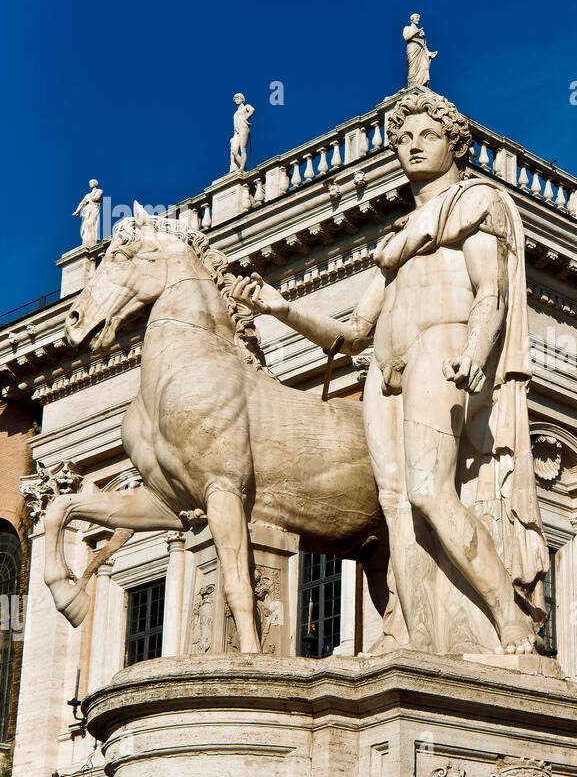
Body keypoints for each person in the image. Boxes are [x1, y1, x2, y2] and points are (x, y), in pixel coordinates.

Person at [232, 91, 546, 654]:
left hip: (442, 346)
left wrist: (476, 350)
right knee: (397, 504)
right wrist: (281, 309)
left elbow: (491, 291)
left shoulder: (472, 203)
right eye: (402, 140)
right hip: (385, 368)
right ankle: (415, 635)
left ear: (454, 144)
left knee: (429, 492)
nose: (412, 147)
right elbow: (352, 332)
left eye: (427, 135)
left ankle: (509, 617)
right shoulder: (396, 240)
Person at [403, 14, 437, 88]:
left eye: (419, 18)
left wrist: (430, 53)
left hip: (422, 50)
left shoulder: (422, 32)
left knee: (424, 67)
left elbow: (424, 45)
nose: (418, 19)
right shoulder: (407, 28)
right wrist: (416, 33)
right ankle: (412, 85)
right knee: (413, 67)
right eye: (416, 18)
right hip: (413, 48)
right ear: (412, 19)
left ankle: (421, 85)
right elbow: (406, 38)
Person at [72, 179, 102, 248]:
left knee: (91, 224)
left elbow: (96, 198)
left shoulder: (99, 191)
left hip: (94, 210)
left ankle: (91, 242)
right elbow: (81, 203)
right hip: (86, 211)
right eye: (89, 183)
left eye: (91, 182)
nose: (90, 184)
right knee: (85, 226)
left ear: (95, 183)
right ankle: (86, 242)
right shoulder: (87, 195)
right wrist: (76, 212)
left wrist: (88, 200)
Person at [229, 93, 255, 173]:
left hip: (243, 127)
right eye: (235, 99)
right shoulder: (236, 112)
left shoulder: (246, 107)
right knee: (234, 151)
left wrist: (245, 118)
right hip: (236, 131)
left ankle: (241, 168)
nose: (236, 100)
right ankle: (244, 168)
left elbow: (252, 110)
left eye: (238, 99)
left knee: (243, 149)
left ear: (242, 99)